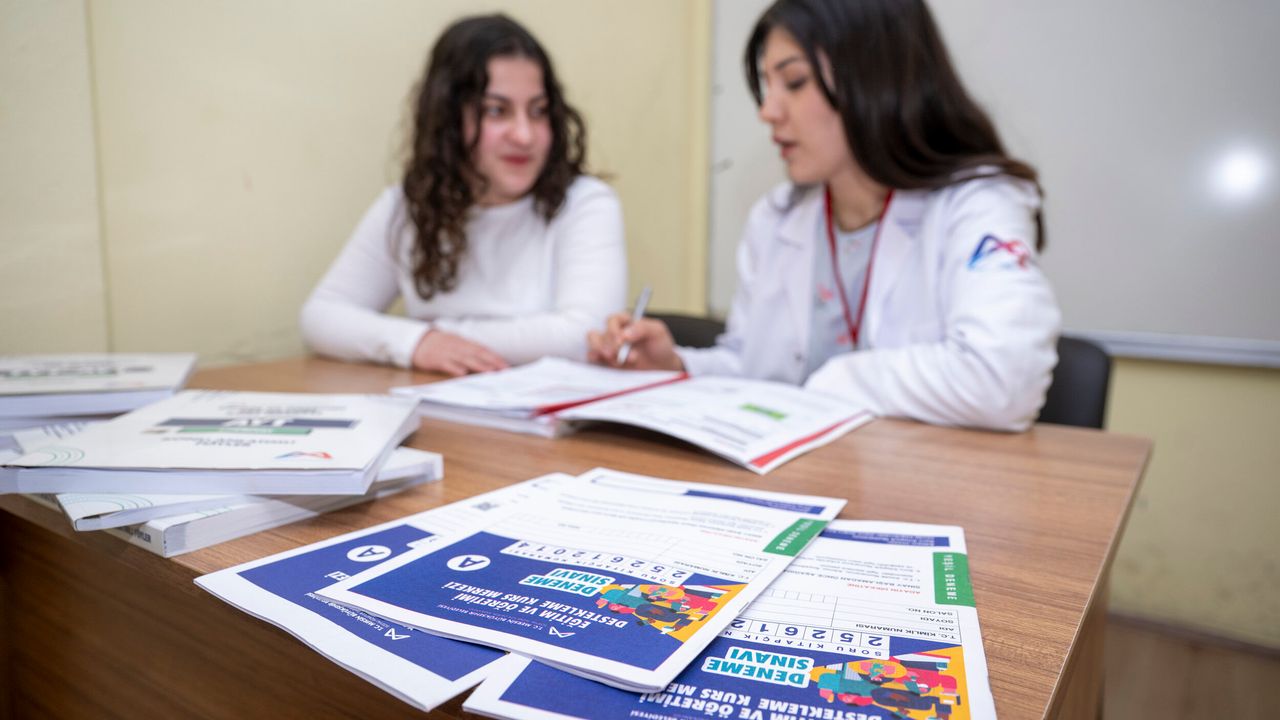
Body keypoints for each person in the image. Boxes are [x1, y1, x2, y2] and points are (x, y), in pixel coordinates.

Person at [587, 0, 1060, 431]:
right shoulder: (777, 218)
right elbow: (750, 369)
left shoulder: (977, 203)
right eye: (767, 86)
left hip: (922, 484)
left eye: (794, 82)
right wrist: (675, 365)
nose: (768, 111)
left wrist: (838, 380)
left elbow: (1004, 378)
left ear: (873, 77)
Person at [301, 14, 626, 376]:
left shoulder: (584, 203)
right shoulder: (407, 207)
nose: (524, 135)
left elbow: (585, 335)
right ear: (448, 120)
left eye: (539, 112)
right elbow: (321, 316)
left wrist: (434, 335)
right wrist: (418, 343)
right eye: (496, 111)